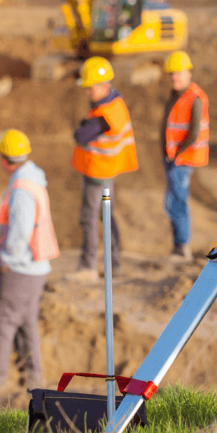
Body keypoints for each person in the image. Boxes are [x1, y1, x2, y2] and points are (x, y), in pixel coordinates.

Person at [0, 129, 59, 389]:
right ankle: (33, 380)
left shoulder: (22, 188)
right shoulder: (33, 180)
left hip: (22, 267)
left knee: (4, 323)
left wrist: (8, 258)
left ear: (5, 160)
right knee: (26, 323)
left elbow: (20, 231)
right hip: (36, 266)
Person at [69, 56, 138, 281]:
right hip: (108, 173)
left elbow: (81, 136)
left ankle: (88, 267)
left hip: (98, 174)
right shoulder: (114, 103)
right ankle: (114, 264)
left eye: (91, 88)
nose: (87, 92)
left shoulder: (104, 115)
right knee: (107, 218)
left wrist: (83, 128)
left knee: (89, 218)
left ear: (104, 85)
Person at [161, 51, 209, 262]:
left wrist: (176, 153)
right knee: (173, 201)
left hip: (182, 159)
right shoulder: (177, 94)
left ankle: (182, 248)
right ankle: (178, 246)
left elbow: (193, 133)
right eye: (172, 74)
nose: (174, 77)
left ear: (188, 72)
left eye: (178, 73)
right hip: (174, 158)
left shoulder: (194, 97)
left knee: (177, 202)